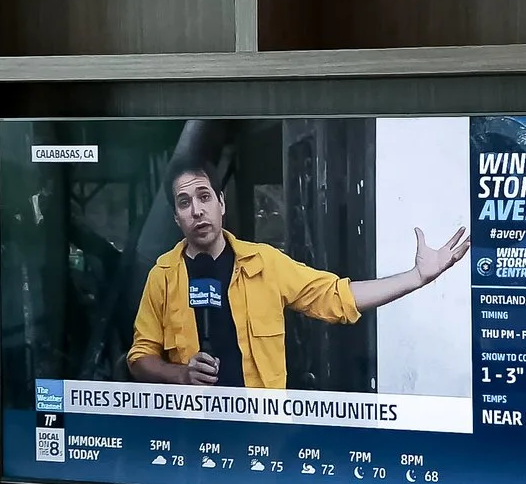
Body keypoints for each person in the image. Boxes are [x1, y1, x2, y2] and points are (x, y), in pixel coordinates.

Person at [127, 164, 470, 391]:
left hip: (261, 429)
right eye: (184, 203)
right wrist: (181, 375)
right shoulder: (163, 276)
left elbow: (336, 297)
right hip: (191, 433)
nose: (197, 210)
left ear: (221, 203)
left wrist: (416, 277)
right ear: (176, 218)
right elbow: (139, 359)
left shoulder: (264, 263)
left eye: (204, 197)